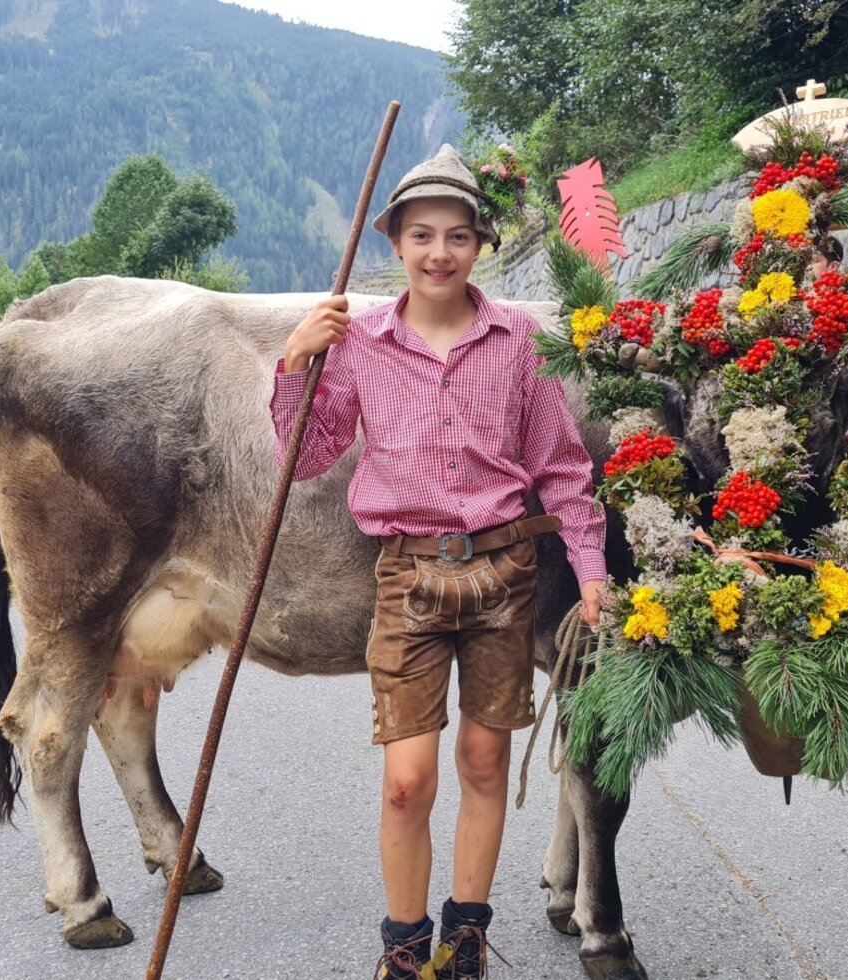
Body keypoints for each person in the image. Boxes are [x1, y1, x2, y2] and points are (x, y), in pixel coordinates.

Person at [268, 144, 607, 980]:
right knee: (406, 781)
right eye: (421, 235)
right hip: (409, 579)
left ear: (480, 246)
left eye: (457, 236)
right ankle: (404, 948)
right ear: (395, 244)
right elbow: (308, 456)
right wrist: (294, 361)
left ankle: (463, 948)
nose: (439, 252)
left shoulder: (519, 341)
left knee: (485, 762)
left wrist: (592, 571)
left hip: (503, 578)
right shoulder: (360, 343)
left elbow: (562, 468)